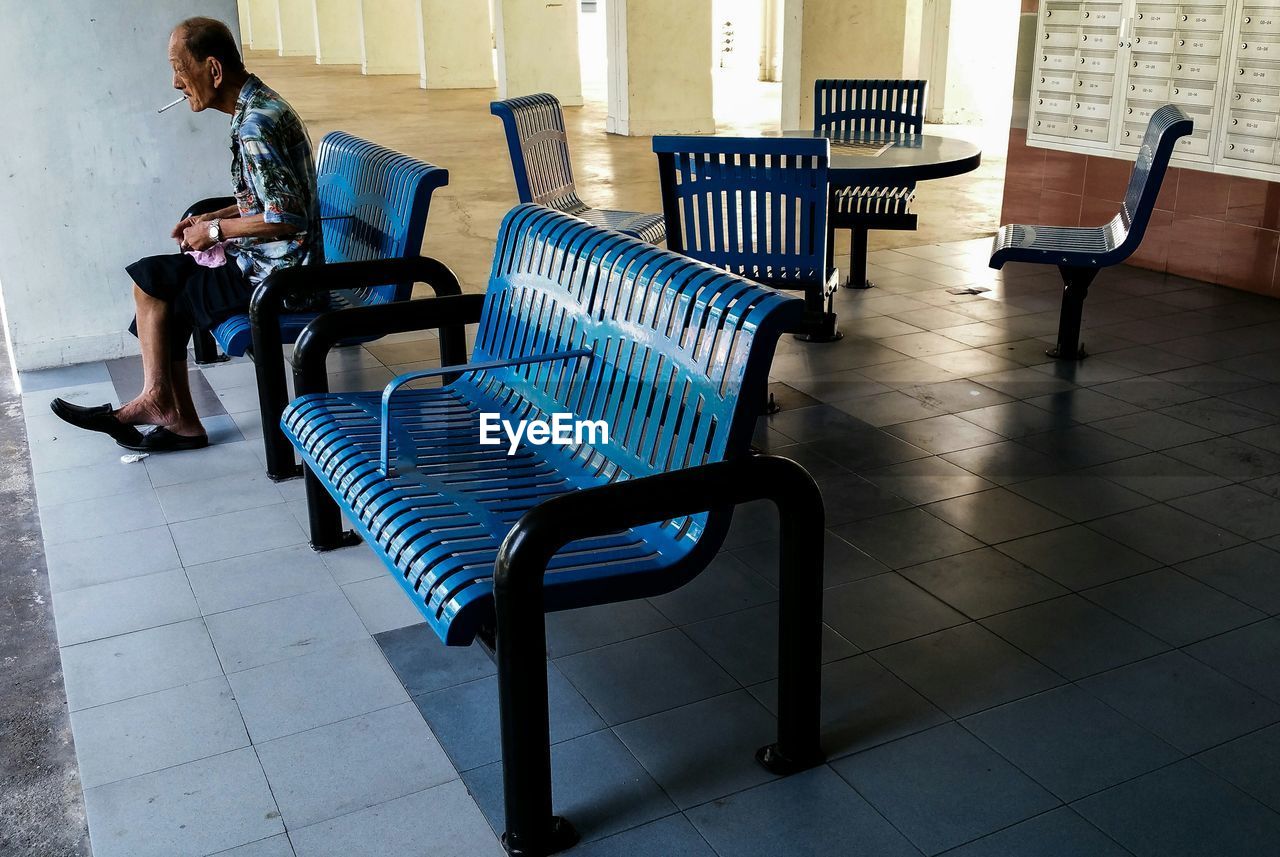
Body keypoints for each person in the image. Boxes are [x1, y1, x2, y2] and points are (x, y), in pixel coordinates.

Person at [51, 17, 322, 452]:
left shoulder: (257, 125)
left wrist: (215, 230)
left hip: (283, 282)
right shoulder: (255, 110)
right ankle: (166, 409)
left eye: (180, 68)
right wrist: (216, 214)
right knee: (152, 281)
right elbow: (273, 196)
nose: (176, 83)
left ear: (213, 70)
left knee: (158, 286)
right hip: (266, 264)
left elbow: (286, 217)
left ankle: (168, 411)